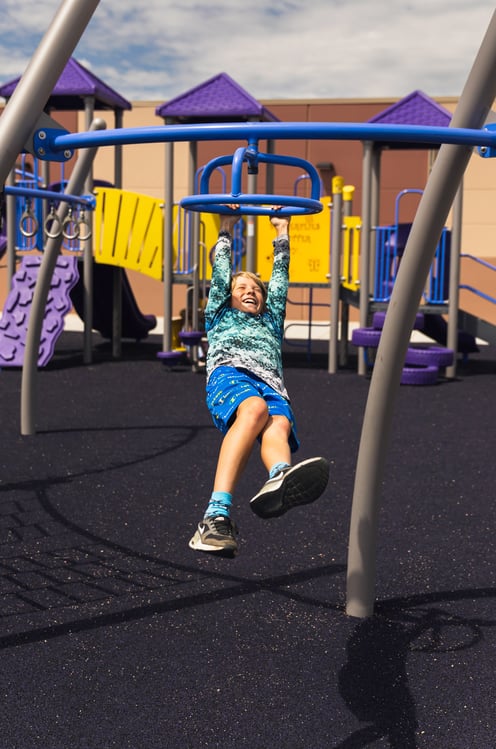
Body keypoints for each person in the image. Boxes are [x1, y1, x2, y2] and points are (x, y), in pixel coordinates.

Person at [189, 206, 329, 556]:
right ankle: (214, 514)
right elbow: (221, 273)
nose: (250, 291)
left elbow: (279, 278)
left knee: (278, 423)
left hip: (272, 386)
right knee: (253, 410)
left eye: (256, 288)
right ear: (227, 295)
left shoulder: (269, 319)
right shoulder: (220, 313)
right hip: (230, 374)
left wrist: (282, 231)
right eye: (241, 288)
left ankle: (280, 474)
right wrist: (226, 227)